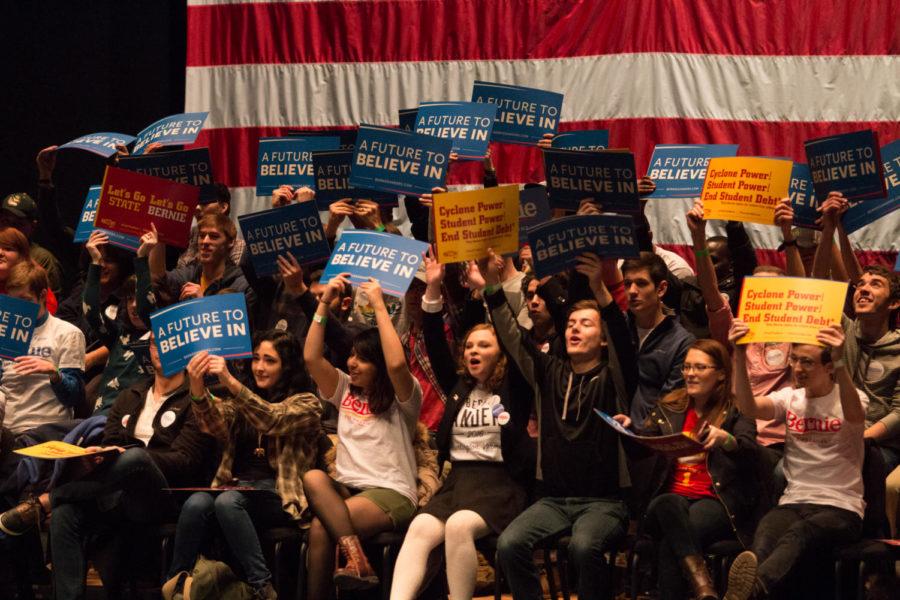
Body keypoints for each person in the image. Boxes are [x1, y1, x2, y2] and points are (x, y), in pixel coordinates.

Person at [491, 251, 638, 600]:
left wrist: (599, 289)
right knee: (509, 545)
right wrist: (492, 288)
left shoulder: (615, 377)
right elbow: (513, 338)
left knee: (583, 548)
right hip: (553, 500)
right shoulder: (550, 372)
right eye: (571, 324)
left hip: (605, 502)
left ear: (602, 340)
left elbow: (619, 336)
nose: (574, 328)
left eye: (585, 324)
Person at [390, 250, 535, 600]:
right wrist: (434, 288)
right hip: (458, 482)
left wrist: (488, 289)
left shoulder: (515, 385)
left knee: (458, 525)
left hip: (501, 485)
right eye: (469, 345)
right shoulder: (459, 387)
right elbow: (436, 341)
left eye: (483, 345)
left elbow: (514, 335)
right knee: (421, 526)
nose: (473, 351)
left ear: (500, 353)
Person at [41, 334, 213, 600]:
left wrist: (131, 456)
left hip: (162, 495)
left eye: (172, 340)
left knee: (137, 459)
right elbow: (111, 442)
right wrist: (100, 456)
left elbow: (185, 460)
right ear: (149, 350)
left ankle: (50, 498)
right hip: (114, 494)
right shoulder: (130, 395)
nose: (163, 347)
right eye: (157, 341)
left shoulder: (196, 400)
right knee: (65, 515)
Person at [165, 330, 323, 599]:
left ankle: (262, 587)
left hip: (279, 496)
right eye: (256, 359)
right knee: (197, 503)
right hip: (236, 489)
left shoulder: (308, 404)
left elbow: (271, 419)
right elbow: (212, 423)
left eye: (270, 361)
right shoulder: (240, 403)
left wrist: (228, 380)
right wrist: (196, 385)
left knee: (228, 501)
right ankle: (176, 585)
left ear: (287, 366)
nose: (260, 367)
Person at [724, 320, 868, 600]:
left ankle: (750, 592)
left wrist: (841, 362)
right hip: (794, 500)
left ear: (828, 367)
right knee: (763, 539)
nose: (798, 369)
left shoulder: (851, 397)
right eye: (794, 360)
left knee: (799, 534)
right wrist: (739, 354)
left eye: (807, 362)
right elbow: (748, 406)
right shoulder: (790, 398)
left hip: (840, 506)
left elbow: (855, 416)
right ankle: (747, 592)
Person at [302, 274, 423, 598]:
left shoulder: (404, 398)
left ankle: (356, 562)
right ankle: (357, 560)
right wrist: (324, 303)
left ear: (378, 365)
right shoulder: (344, 388)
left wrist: (379, 305)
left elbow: (397, 362)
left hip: (390, 492)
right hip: (348, 489)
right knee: (314, 477)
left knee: (320, 528)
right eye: (352, 355)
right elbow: (312, 358)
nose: (352, 363)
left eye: (363, 358)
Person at [636, 339, 757, 600]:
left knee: (673, 542)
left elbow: (751, 453)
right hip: (667, 499)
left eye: (699, 367)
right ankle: (703, 586)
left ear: (721, 373)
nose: (690, 373)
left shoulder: (736, 410)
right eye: (687, 367)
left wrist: (727, 440)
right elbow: (643, 451)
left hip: (714, 499)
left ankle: (703, 588)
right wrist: (631, 432)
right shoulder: (669, 406)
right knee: (669, 504)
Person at [0, 261, 84, 438]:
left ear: (43, 295)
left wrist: (54, 373)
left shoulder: (67, 333)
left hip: (44, 428)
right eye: (13, 301)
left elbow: (74, 397)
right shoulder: (4, 331)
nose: (20, 309)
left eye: (25, 300)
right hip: (6, 428)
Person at [82, 229, 154, 414]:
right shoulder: (117, 335)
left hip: (126, 424)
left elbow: (145, 309)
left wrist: (142, 258)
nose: (133, 305)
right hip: (96, 420)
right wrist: (96, 262)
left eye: (138, 298)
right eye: (129, 299)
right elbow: (90, 311)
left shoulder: (161, 338)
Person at [619, 252, 695, 427]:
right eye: (627, 283)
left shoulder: (681, 342)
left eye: (641, 283)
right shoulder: (618, 326)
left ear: (661, 289)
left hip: (649, 438)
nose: (632, 291)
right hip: (610, 429)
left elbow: (670, 404)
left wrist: (638, 427)